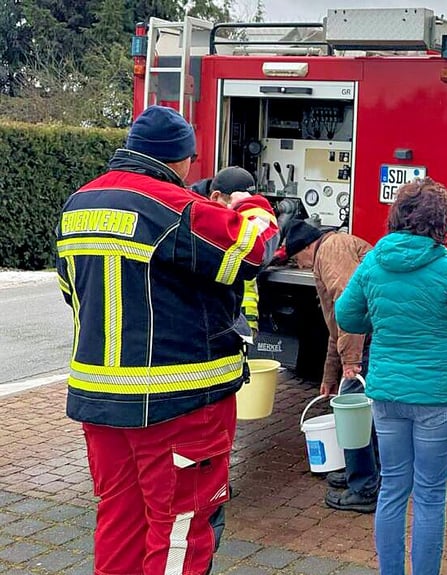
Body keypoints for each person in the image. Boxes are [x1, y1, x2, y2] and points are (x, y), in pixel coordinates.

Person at [54, 105, 278, 575]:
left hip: (100, 403)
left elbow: (71, 293)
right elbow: (253, 250)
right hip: (178, 403)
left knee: (120, 520)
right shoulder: (173, 207)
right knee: (181, 528)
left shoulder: (77, 206)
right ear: (181, 161)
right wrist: (254, 206)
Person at [334, 177, 447, 575]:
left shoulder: (373, 262)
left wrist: (382, 316)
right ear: (443, 224)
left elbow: (347, 315)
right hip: (439, 397)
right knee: (430, 494)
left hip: (388, 393)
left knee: (392, 489)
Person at [285, 220, 380, 513]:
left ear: (306, 247)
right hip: (368, 336)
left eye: (296, 258)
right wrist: (329, 374)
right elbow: (336, 322)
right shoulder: (332, 248)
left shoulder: (331, 250)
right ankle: (362, 473)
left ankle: (364, 487)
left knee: (354, 412)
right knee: (366, 412)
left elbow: (350, 307)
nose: (298, 266)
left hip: (367, 337)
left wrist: (350, 362)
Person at [193, 166, 262, 337]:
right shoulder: (194, 217)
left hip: (229, 322)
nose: (237, 217)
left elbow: (249, 274)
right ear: (215, 196)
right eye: (235, 208)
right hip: (202, 323)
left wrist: (250, 322)